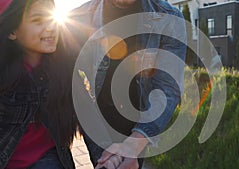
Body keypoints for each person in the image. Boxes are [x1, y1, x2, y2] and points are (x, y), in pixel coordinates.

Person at [68, 0, 187, 168]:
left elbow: (167, 88)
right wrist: (100, 146)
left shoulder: (169, 19)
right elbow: (73, 84)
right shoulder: (77, 19)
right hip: (95, 120)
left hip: (140, 121)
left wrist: (134, 144)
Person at [0, 0, 98, 168]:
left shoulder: (66, 69)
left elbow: (90, 123)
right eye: (38, 21)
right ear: (12, 31)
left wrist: (110, 158)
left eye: (51, 18)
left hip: (47, 160)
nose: (51, 27)